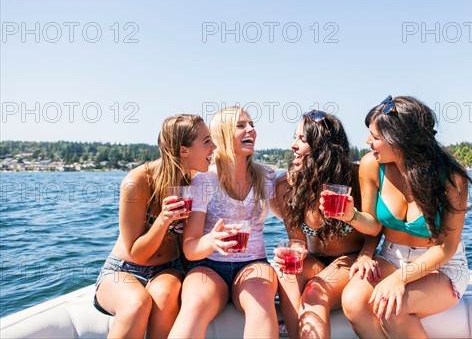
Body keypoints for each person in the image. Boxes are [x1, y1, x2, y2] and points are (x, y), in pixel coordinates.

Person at [328, 96, 472, 338]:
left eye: (376, 137)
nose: (368, 141)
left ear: (401, 140)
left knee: (391, 309)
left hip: (441, 266)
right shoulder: (371, 166)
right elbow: (374, 226)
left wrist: (400, 278)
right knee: (354, 301)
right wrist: (351, 217)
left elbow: (446, 247)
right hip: (390, 256)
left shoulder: (451, 178)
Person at [93, 114, 217, 338]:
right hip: (123, 270)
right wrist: (163, 219)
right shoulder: (137, 182)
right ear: (183, 151)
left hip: (168, 268)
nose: (214, 146)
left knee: (165, 295)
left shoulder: (195, 181)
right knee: (135, 304)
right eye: (207, 141)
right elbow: (137, 254)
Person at [169, 106, 279, 339]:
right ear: (222, 134)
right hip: (208, 266)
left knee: (261, 299)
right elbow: (190, 248)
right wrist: (211, 241)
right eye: (241, 125)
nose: (251, 130)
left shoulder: (267, 176)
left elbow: (291, 218)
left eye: (251, 125)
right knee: (195, 303)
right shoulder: (204, 181)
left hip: (253, 263)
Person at [273, 110, 382, 339]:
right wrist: (292, 251)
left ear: (323, 147)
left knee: (314, 292)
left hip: (350, 260)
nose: (293, 145)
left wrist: (366, 255)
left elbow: (376, 225)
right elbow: (298, 241)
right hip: (315, 261)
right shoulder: (286, 185)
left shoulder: (355, 177)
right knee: (286, 274)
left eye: (302, 139)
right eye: (295, 137)